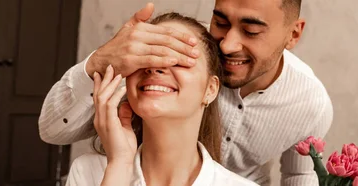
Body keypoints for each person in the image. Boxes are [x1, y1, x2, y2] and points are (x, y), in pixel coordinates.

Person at [40, 1, 333, 185]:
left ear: (293, 34)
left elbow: (299, 177)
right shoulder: (173, 46)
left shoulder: (310, 103)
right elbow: (52, 130)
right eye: (220, 22)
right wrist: (103, 60)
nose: (228, 45)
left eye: (251, 31)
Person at [65, 12, 258, 186]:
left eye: (178, 59)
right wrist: (120, 165)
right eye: (146, 56)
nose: (155, 66)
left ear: (211, 89)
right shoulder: (88, 172)